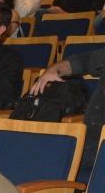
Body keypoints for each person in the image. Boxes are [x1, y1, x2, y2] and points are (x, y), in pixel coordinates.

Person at [31, 48, 105, 177]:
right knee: (30, 154)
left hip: (99, 145)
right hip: (87, 140)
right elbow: (81, 61)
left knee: (42, 164)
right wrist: (53, 70)